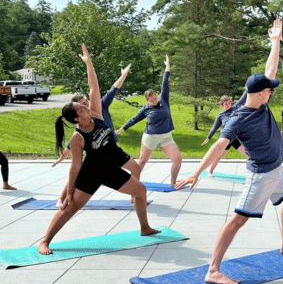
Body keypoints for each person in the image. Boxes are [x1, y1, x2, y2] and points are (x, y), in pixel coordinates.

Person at [176, 19, 283, 284]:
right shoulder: (238, 118)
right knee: (237, 221)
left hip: (275, 171)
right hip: (260, 175)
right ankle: (213, 270)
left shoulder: (254, 96)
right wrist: (195, 172)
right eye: (269, 91)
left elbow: (268, 70)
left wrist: (276, 41)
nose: (272, 93)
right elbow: (219, 146)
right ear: (259, 95)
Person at [38, 44, 159, 255]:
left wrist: (89, 62)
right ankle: (45, 241)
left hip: (111, 168)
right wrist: (69, 191)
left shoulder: (96, 114)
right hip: (92, 173)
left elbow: (94, 87)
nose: (85, 106)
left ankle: (145, 228)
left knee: (140, 191)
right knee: (71, 208)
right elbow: (75, 166)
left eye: (84, 105)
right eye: (80, 108)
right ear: (76, 118)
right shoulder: (77, 138)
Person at [53, 64, 141, 207]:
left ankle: (135, 196)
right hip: (97, 156)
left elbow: (111, 89)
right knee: (78, 170)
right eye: (82, 105)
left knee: (135, 168)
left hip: (112, 149)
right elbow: (73, 145)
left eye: (86, 102)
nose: (85, 105)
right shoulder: (81, 126)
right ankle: (61, 198)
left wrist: (123, 74)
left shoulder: (99, 106)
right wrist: (62, 157)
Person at [116, 55, 182, 187]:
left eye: (155, 98)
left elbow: (165, 83)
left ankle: (173, 182)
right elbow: (135, 119)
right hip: (150, 137)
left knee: (178, 159)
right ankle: (133, 188)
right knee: (141, 162)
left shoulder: (164, 100)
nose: (154, 101)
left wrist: (167, 67)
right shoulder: (145, 109)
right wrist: (122, 128)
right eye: (151, 100)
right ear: (147, 100)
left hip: (166, 137)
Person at [201, 95, 248, 176]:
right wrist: (208, 137)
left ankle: (255, 170)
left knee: (246, 153)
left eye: (229, 103)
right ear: (222, 105)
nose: (229, 105)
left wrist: (247, 90)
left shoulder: (235, 108)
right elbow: (214, 127)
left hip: (235, 137)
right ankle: (210, 172)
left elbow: (242, 99)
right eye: (226, 104)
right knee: (218, 156)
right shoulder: (221, 115)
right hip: (225, 138)